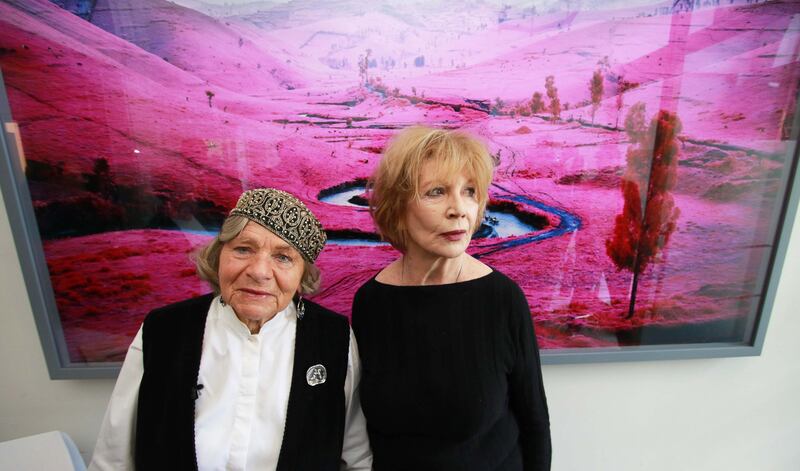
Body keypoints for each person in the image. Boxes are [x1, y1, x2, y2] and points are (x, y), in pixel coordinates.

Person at [89, 188, 372, 471]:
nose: (259, 271)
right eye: (243, 249)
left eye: (283, 257)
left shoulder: (333, 338)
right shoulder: (162, 331)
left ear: (302, 277)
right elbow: (112, 460)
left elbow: (356, 459)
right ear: (218, 256)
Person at [352, 126, 551, 470]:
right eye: (437, 192)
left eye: (469, 191)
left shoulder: (502, 300)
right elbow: (367, 430)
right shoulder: (371, 302)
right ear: (397, 207)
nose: (459, 209)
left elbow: (535, 424)